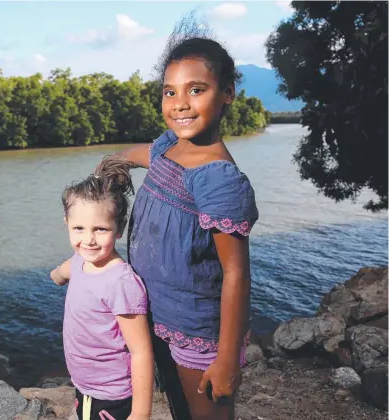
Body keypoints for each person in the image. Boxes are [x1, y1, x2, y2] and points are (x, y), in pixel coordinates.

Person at [109, 20, 260, 420]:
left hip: (198, 329)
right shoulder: (171, 147)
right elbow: (149, 155)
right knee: (180, 408)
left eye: (197, 90)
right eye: (170, 92)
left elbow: (236, 275)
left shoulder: (219, 180)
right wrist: (118, 158)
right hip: (157, 313)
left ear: (227, 94)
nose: (180, 103)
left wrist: (226, 360)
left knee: (207, 414)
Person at [50, 157, 154, 420]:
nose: (88, 240)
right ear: (66, 224)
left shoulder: (120, 283)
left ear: (119, 228)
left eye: (100, 229)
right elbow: (60, 274)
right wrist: (56, 276)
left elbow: (141, 351)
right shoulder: (78, 262)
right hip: (85, 385)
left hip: (110, 394)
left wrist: (141, 413)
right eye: (78, 228)